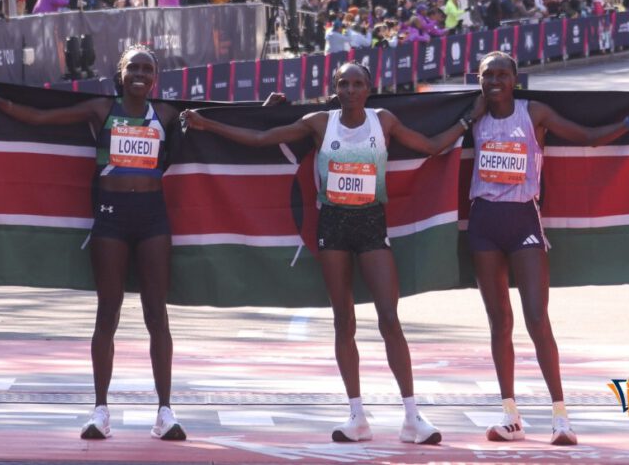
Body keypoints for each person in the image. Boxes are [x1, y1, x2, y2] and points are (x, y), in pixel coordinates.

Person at [182, 62, 474, 445]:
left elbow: (433, 147)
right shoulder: (320, 123)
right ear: (335, 88)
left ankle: (412, 416)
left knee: (389, 318)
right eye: (343, 84)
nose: (350, 90)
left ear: (368, 88)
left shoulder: (383, 121)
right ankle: (357, 416)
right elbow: (261, 138)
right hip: (333, 228)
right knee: (343, 320)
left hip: (372, 227)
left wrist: (468, 120)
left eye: (357, 84)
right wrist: (207, 124)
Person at [0, 45, 188, 442]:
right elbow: (41, 118)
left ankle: (165, 412)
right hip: (111, 217)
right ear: (121, 73)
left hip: (153, 219)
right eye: (133, 68)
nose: (140, 75)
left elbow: (217, 118)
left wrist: (266, 109)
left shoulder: (167, 114)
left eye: (147, 69)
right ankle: (100, 411)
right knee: (107, 313)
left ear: (155, 77)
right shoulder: (101, 109)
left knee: (157, 316)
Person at [466, 51, 629, 446]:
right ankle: (510, 416)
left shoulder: (533, 112)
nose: (495, 82)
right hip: (483, 222)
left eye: (502, 75)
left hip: (523, 220)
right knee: (499, 322)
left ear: (515, 80)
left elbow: (586, 137)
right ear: (479, 79)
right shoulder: (473, 115)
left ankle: (560, 417)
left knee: (537, 318)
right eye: (488, 75)